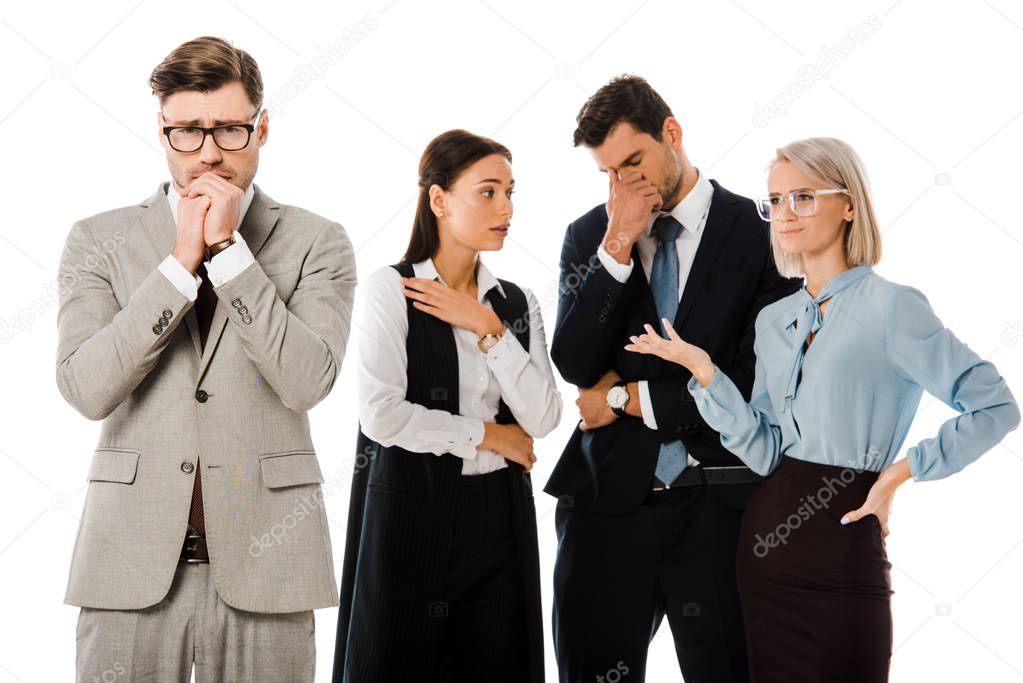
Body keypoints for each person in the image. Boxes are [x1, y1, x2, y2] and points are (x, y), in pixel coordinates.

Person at [625, 136, 1020, 682]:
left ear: (849, 204)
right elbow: (764, 451)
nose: (785, 214)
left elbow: (995, 406)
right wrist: (705, 372)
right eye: (775, 201)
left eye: (803, 197)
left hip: (841, 550)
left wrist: (899, 474)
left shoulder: (892, 307)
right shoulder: (775, 319)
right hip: (765, 555)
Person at [57, 36, 357, 682]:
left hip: (270, 565)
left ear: (263, 127)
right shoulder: (96, 240)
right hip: (127, 562)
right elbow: (85, 387)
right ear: (161, 131)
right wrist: (178, 267)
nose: (210, 152)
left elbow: (308, 381)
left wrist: (231, 256)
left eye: (228, 128)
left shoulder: (318, 242)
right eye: (188, 132)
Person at [544, 75, 801, 683]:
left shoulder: (760, 232)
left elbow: (757, 381)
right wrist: (619, 242)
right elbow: (575, 364)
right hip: (608, 507)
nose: (623, 184)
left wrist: (629, 398)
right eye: (608, 172)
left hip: (722, 504)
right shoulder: (592, 235)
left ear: (673, 134)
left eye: (633, 162)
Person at [333, 129, 562, 682]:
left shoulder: (515, 302)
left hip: (498, 517)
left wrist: (489, 330)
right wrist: (490, 436)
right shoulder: (393, 288)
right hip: (411, 512)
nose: (506, 208)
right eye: (488, 192)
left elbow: (545, 417)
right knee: (394, 662)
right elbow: (382, 414)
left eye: (510, 192)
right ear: (438, 200)